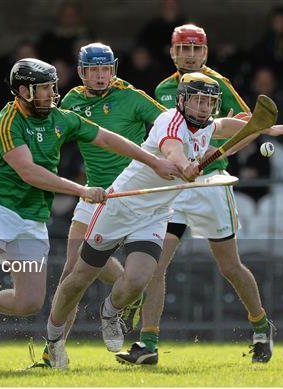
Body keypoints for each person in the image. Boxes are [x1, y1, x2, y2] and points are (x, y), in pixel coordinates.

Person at [45, 73, 283, 368]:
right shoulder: (170, 122)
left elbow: (223, 126)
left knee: (139, 280)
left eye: (209, 102)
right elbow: (174, 152)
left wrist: (265, 128)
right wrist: (185, 167)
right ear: (182, 100)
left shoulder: (205, 124)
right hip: (120, 208)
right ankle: (53, 337)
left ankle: (110, 310)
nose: (204, 107)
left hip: (154, 216)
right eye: (198, 100)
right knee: (79, 277)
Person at [0, 58, 179, 373]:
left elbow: (107, 138)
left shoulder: (61, 119)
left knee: (29, 303)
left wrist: (153, 161)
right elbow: (29, 172)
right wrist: (81, 190)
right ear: (24, 91)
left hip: (32, 217)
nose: (53, 93)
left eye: (53, 87)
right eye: (45, 88)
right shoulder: (7, 122)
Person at [117, 24, 283, 366]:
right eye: (183, 49)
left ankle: (261, 326)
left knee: (230, 266)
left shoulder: (220, 85)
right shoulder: (161, 89)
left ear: (205, 53)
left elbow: (247, 123)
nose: (189, 55)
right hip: (174, 187)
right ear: (172, 53)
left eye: (196, 49)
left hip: (210, 184)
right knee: (156, 264)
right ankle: (149, 343)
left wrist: (263, 130)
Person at [24, 42, 167, 368]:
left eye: (105, 69)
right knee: (72, 276)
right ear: (82, 72)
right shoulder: (72, 101)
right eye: (93, 70)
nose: (100, 76)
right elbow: (47, 126)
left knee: (133, 278)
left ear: (113, 69)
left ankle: (116, 306)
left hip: (137, 198)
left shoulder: (133, 97)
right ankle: (54, 352)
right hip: (96, 196)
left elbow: (171, 125)